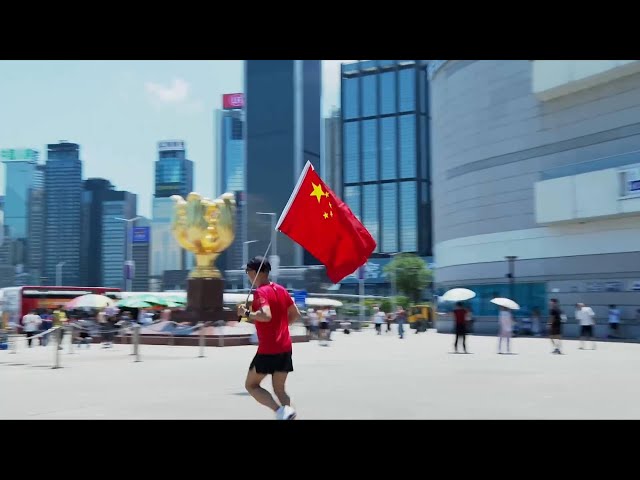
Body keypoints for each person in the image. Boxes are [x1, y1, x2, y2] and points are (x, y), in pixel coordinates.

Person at [237, 256, 300, 420]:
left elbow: (266, 315)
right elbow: (295, 314)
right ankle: (289, 415)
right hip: (285, 347)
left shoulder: (260, 292)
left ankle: (280, 412)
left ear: (256, 272)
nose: (247, 275)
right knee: (280, 389)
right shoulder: (281, 289)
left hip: (268, 349)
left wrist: (247, 313)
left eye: (248, 271)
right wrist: (281, 328)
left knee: (251, 385)